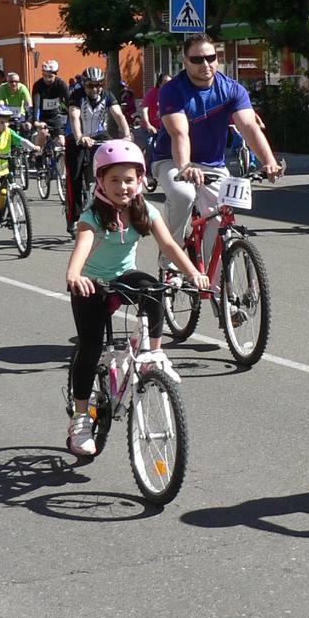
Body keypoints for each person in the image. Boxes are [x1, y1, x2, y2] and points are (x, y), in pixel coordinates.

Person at [63, 140, 209, 456]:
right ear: (100, 182)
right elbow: (83, 246)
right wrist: (74, 275)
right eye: (114, 180)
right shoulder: (93, 216)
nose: (122, 186)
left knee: (153, 289)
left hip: (124, 280)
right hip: (91, 285)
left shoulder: (145, 210)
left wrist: (192, 273)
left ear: (140, 180)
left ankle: (152, 356)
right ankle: (80, 418)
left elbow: (170, 246)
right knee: (90, 347)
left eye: (129, 179)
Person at [151, 35, 284, 264]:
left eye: (211, 57)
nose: (206, 64)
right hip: (171, 160)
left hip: (213, 164)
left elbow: (249, 126)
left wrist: (269, 161)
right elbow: (179, 132)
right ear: (185, 61)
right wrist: (185, 166)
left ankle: (218, 280)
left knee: (221, 214)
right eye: (197, 59)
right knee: (184, 194)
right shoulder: (172, 90)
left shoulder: (232, 90)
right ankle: (171, 258)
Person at [63, 66, 131, 232]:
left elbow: (118, 115)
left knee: (112, 166)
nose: (95, 89)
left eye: (98, 85)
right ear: (84, 85)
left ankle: (108, 210)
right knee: (75, 179)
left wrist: (127, 134)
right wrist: (79, 137)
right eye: (91, 85)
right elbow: (74, 116)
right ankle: (73, 217)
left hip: (100, 136)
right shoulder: (76, 96)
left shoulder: (107, 95)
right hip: (78, 139)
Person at [31, 59, 70, 126]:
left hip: (57, 116)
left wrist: (72, 116)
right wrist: (35, 120)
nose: (47, 79)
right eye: (44, 76)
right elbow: (36, 104)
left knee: (60, 136)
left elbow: (69, 101)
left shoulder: (61, 84)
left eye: (50, 76)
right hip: (42, 118)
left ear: (55, 75)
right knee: (42, 133)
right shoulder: (38, 85)